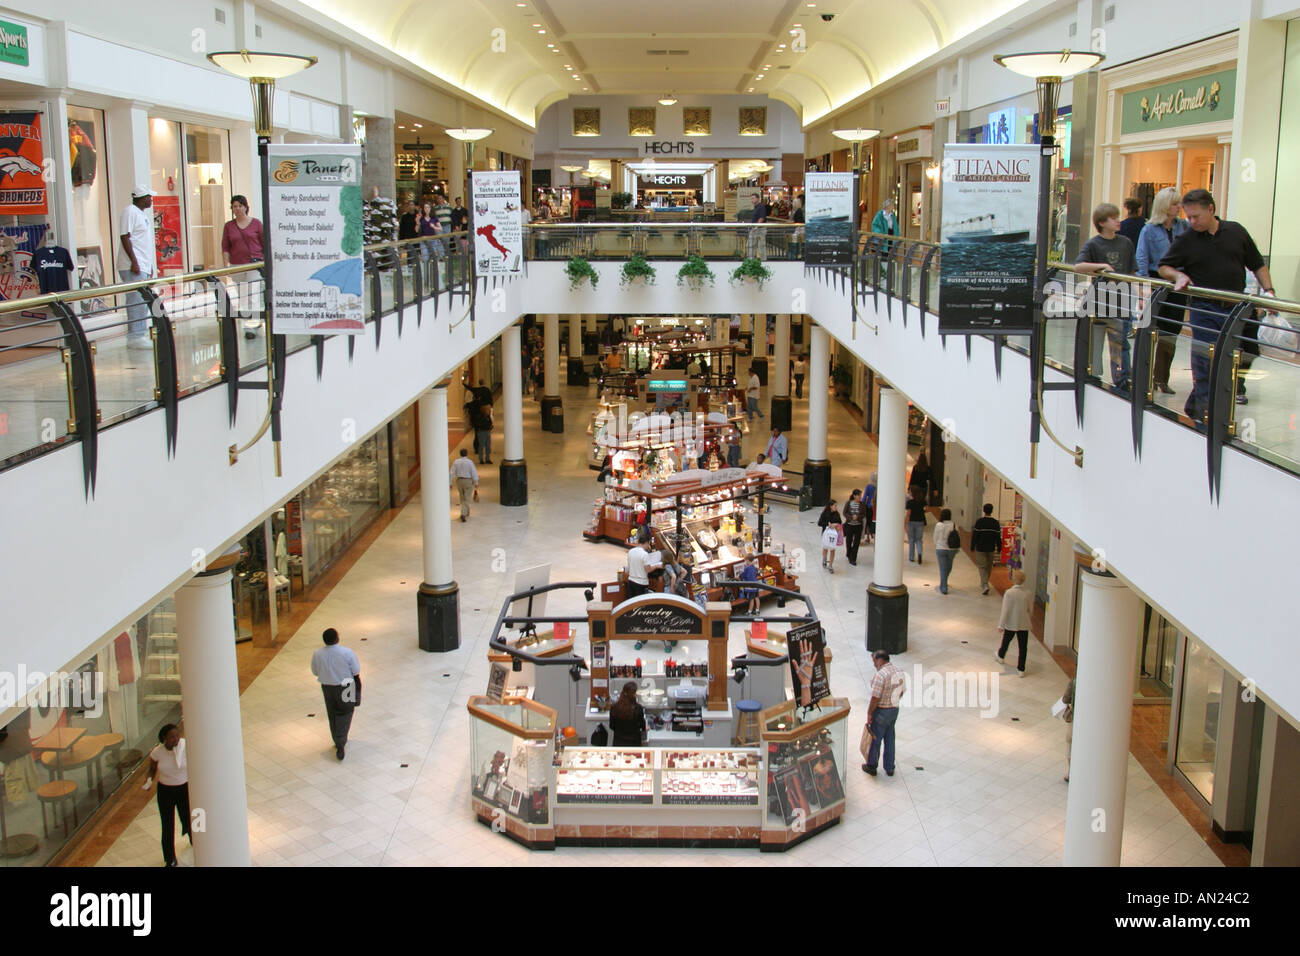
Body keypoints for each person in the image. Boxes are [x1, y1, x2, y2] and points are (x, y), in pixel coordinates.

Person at [1158, 188, 1273, 420]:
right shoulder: (1187, 239)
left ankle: (1199, 406)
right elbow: (1164, 266)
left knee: (1226, 360)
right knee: (1203, 360)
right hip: (1204, 307)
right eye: (1188, 216)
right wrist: (1178, 276)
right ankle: (1206, 414)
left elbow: (1257, 264)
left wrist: (1269, 291)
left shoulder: (1236, 232)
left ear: (1211, 209)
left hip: (1234, 308)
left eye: (1196, 216)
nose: (1191, 221)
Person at [1075, 202, 1138, 390]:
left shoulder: (1125, 243)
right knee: (1097, 339)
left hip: (1121, 301)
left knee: (1120, 343)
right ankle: (1093, 373)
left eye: (1118, 217)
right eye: (1113, 218)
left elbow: (1131, 272)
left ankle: (1123, 379)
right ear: (1102, 222)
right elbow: (1078, 266)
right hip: (1100, 302)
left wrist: (1134, 294)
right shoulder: (1094, 244)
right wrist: (1101, 267)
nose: (1118, 221)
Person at [1135, 187, 1189, 395]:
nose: (1178, 207)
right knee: (1150, 330)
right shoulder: (1149, 230)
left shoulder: (1182, 227)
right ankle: (1145, 376)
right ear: (1165, 206)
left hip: (1178, 284)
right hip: (1157, 282)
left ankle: (1161, 378)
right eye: (1175, 203)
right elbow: (1142, 258)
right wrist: (1143, 287)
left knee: (1171, 333)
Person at [310, 627, 362, 759]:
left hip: (327, 687)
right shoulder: (346, 652)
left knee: (332, 712)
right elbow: (355, 670)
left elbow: (315, 671)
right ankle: (341, 741)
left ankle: (337, 738)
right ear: (337, 638)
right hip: (347, 685)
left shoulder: (317, 654)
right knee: (346, 711)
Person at [143, 723, 190, 866]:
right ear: (164, 738)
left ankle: (197, 845)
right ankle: (170, 858)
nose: (175, 739)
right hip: (166, 791)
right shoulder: (157, 752)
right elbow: (152, 769)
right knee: (167, 825)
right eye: (172, 737)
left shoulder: (185, 745)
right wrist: (149, 780)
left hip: (184, 788)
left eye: (177, 735)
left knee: (188, 819)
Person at [117, 184, 156, 349]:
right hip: (133, 266)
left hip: (142, 265)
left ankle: (139, 334)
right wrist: (134, 261)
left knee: (141, 301)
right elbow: (125, 236)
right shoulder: (130, 212)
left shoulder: (141, 215)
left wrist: (149, 265)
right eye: (149, 197)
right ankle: (135, 337)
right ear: (141, 198)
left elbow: (142, 242)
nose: (151, 200)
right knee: (136, 301)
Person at [863, 651, 906, 777]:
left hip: (881, 711)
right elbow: (902, 691)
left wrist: (870, 713)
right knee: (890, 737)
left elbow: (875, 697)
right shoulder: (899, 672)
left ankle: (872, 765)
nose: (874, 665)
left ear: (879, 660)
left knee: (876, 739)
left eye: (874, 662)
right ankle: (889, 767)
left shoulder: (880, 675)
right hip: (894, 710)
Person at [995, 570, 1032, 677]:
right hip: (1024, 623)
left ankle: (1001, 656)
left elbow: (1005, 610)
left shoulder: (1009, 593)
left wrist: (1001, 625)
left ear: (1013, 579)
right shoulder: (1028, 593)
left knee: (1006, 641)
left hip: (1011, 623)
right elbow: (1030, 609)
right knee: (1023, 646)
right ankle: (1021, 668)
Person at [971, 503, 1002, 595]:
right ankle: (985, 584)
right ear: (992, 511)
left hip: (980, 548)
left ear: (984, 511)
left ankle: (985, 585)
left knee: (982, 566)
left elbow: (975, 535)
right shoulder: (995, 523)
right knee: (988, 567)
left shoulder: (979, 522)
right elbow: (998, 537)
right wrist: (999, 547)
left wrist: (972, 546)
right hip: (991, 548)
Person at [609, 682, 646, 747]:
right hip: (634, 743)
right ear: (634, 694)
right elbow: (642, 726)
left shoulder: (614, 707)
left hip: (618, 742)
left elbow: (611, 726)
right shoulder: (638, 708)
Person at [450, 448, 480, 522]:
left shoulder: (456, 462)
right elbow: (474, 473)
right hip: (468, 481)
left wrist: (450, 483)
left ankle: (466, 512)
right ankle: (463, 514)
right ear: (466, 454)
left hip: (459, 481)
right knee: (467, 498)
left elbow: (452, 473)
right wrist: (476, 482)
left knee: (462, 496)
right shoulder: (470, 462)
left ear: (460, 454)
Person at [933, 507, 958, 595]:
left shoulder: (938, 525)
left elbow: (935, 537)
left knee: (943, 568)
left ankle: (943, 586)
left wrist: (937, 544)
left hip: (941, 548)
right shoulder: (953, 524)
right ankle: (944, 583)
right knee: (949, 566)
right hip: (952, 549)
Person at [818, 498, 843, 573]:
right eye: (835, 505)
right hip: (826, 533)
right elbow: (819, 523)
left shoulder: (837, 514)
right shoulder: (824, 514)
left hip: (834, 535)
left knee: (832, 549)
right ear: (830, 506)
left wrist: (835, 525)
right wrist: (828, 525)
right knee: (825, 548)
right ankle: (824, 559)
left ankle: (831, 565)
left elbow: (840, 522)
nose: (836, 507)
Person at [843, 488, 865, 566]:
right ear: (855, 496)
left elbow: (863, 514)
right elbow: (844, 513)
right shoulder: (848, 503)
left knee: (856, 542)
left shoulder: (862, 504)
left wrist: (858, 517)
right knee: (849, 541)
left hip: (858, 526)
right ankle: (849, 553)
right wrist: (851, 517)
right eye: (859, 495)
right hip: (849, 525)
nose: (860, 497)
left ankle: (853, 558)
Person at [905, 487, 927, 564]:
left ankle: (911, 557)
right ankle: (920, 553)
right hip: (920, 522)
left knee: (911, 540)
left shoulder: (910, 502)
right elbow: (925, 510)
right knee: (919, 539)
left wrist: (906, 524)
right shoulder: (923, 502)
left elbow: (908, 514)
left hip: (911, 522)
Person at [1061, 677, 1076, 782]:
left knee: (1070, 744)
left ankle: (1071, 772)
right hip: (1090, 722)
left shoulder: (1074, 682)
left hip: (1074, 718)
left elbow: (1065, 699)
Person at [746, 192, 769, 259]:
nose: (752, 200)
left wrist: (756, 226)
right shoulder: (756, 207)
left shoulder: (761, 207)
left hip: (760, 229)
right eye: (751, 198)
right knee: (750, 245)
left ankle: (763, 260)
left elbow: (761, 218)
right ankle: (750, 258)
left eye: (753, 198)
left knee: (761, 245)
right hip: (755, 228)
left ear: (758, 199)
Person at [863, 472, 877, 543]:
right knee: (874, 522)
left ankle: (868, 537)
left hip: (869, 507)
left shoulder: (869, 486)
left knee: (868, 522)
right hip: (876, 507)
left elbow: (865, 496)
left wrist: (862, 504)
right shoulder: (879, 486)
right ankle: (875, 536)